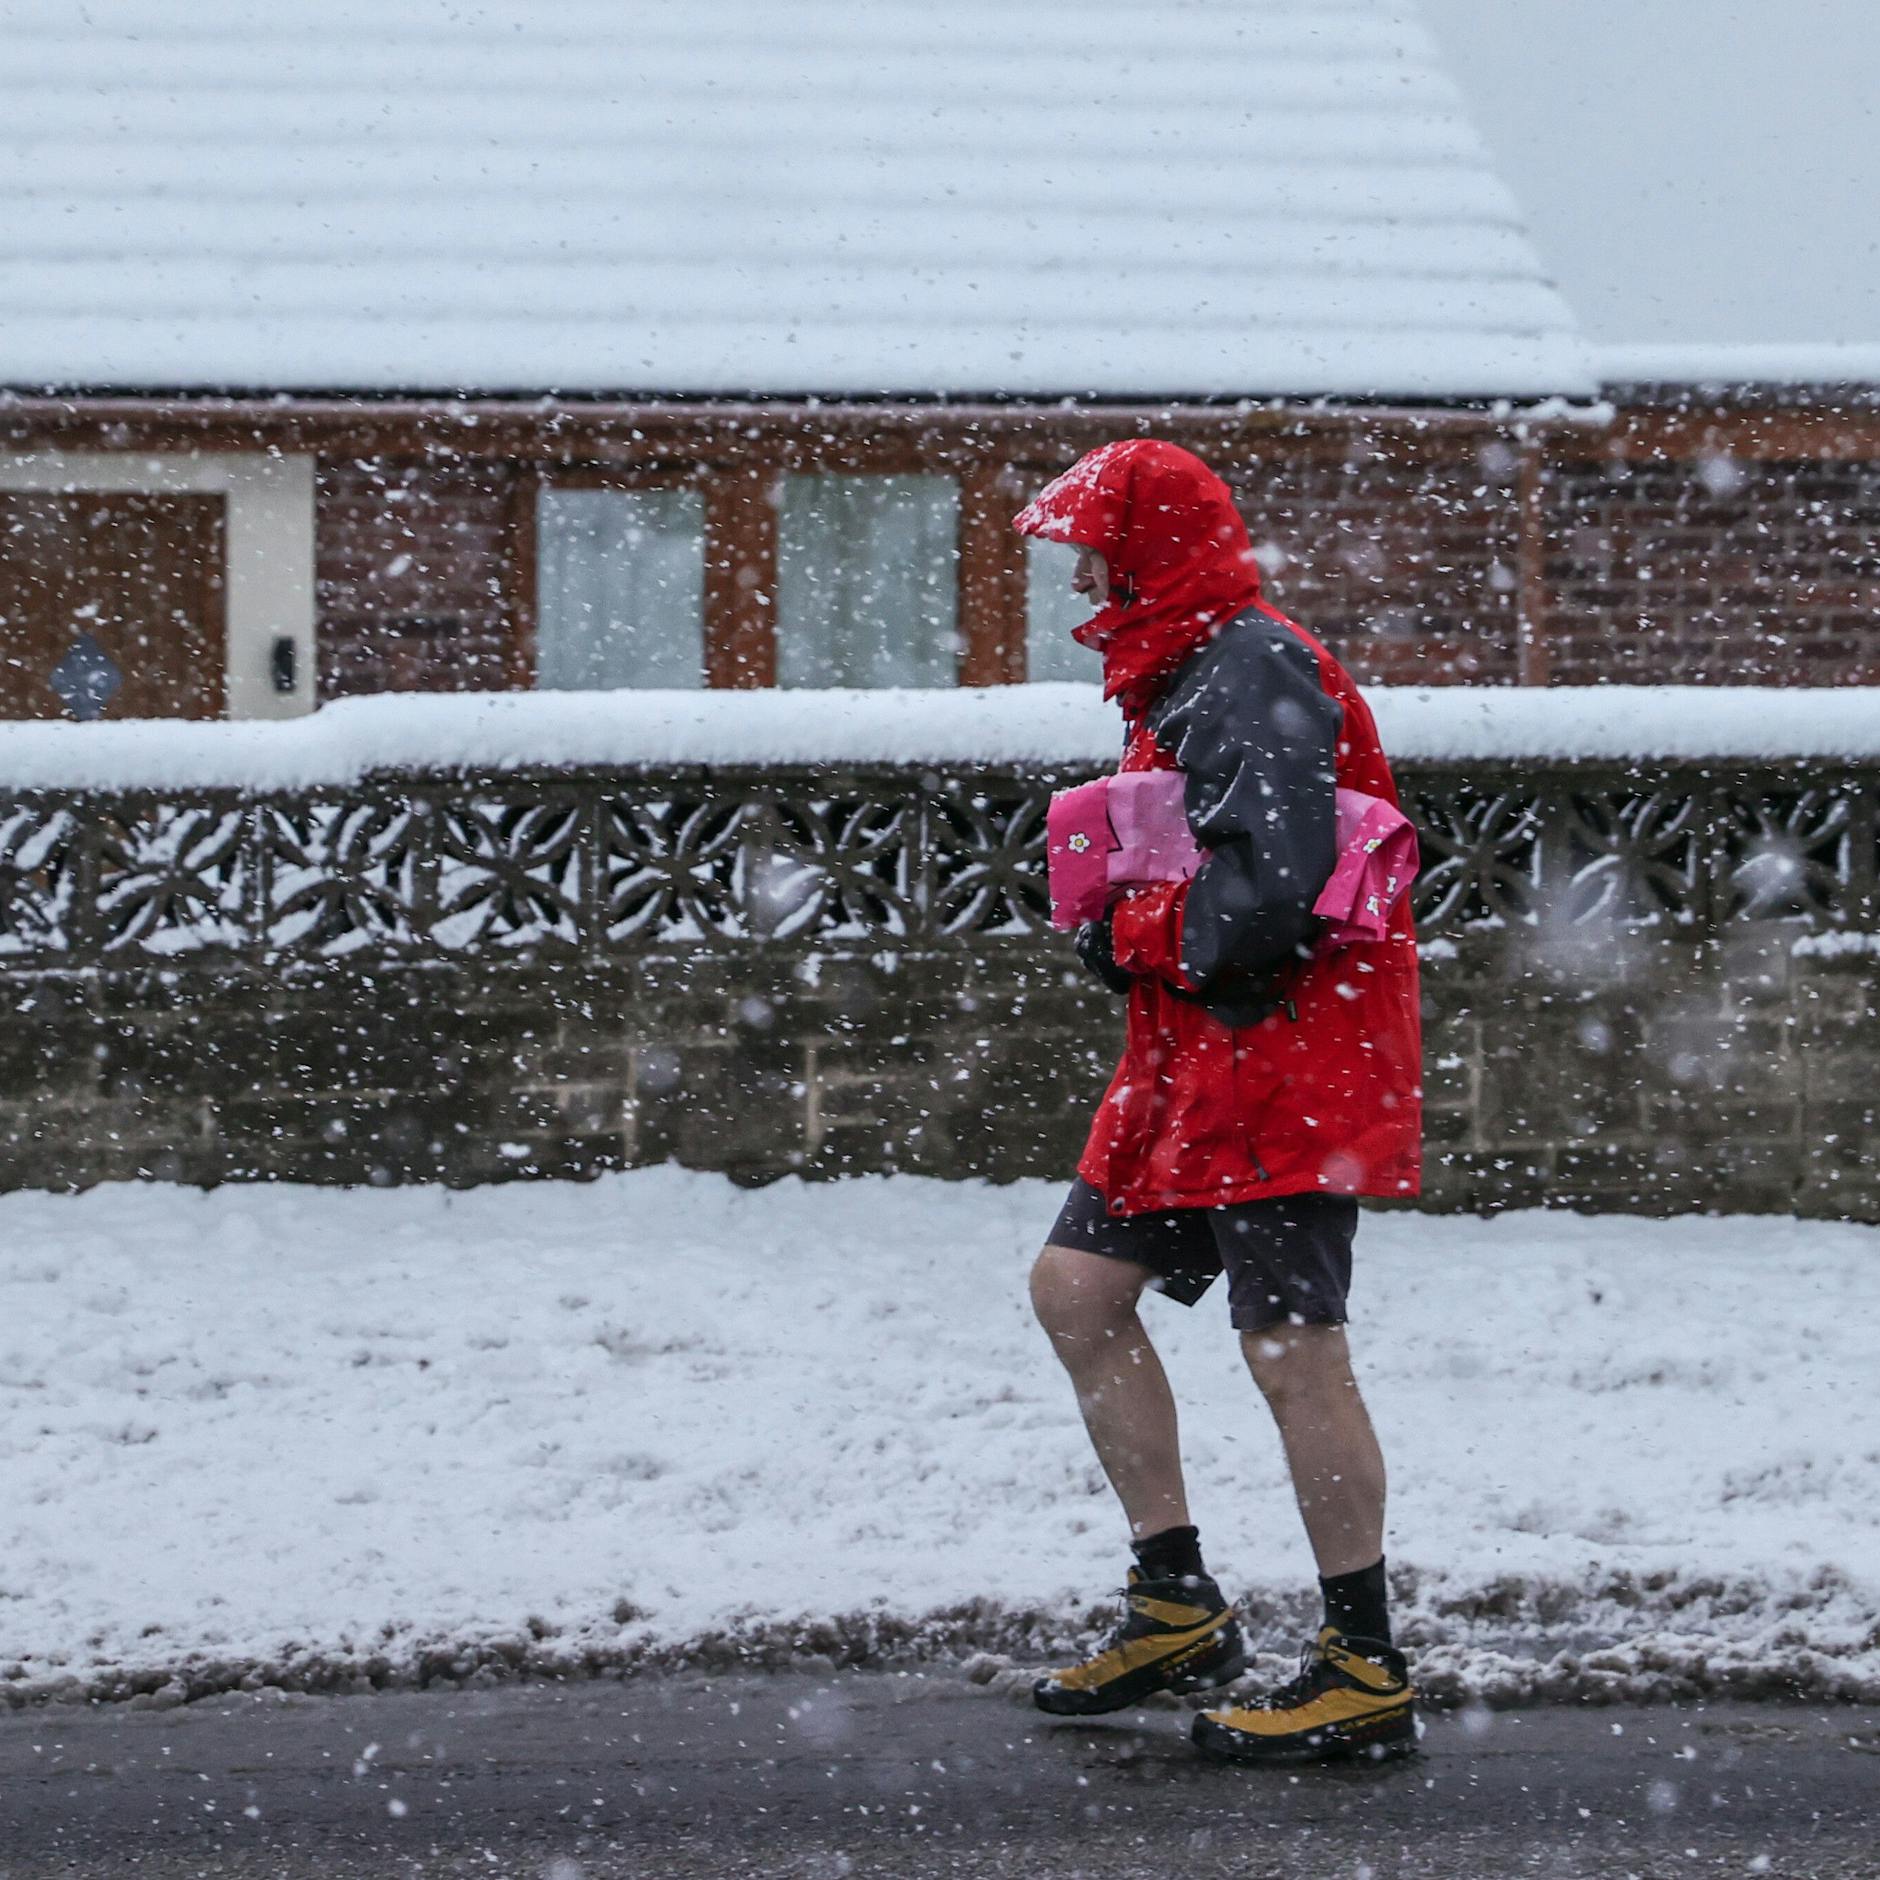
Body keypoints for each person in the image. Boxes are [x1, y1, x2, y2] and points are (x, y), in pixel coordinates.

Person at [1013, 438, 1423, 1765]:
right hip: (1194, 1057)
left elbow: (1270, 897)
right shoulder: (1181, 665)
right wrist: (1129, 913)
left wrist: (1122, 926)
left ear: (1150, 549)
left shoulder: (1247, 663)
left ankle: (1363, 1664)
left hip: (1283, 1062)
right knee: (1079, 1291)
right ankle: (1178, 1604)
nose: (1079, 572)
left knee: (1294, 1348)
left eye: (1093, 547)